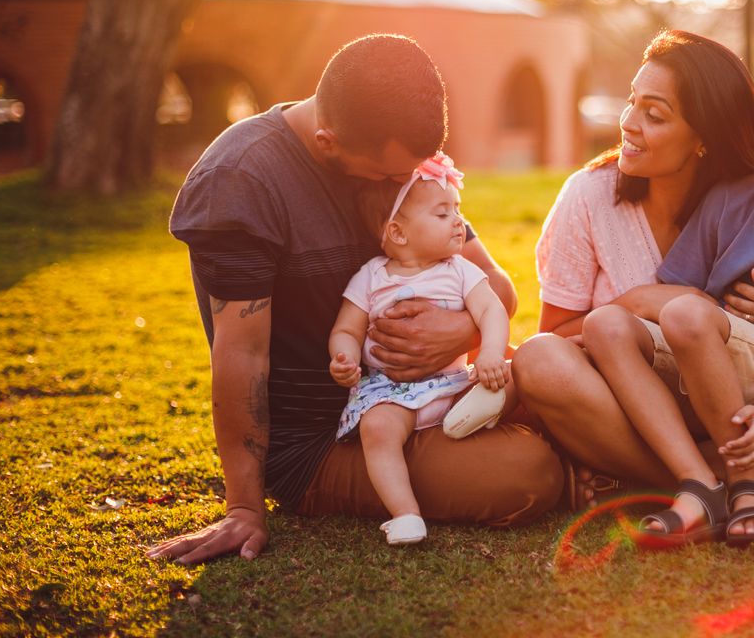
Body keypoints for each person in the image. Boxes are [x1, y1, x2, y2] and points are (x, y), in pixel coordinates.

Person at [150, 34, 561, 565]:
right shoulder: (241, 180)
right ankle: (573, 467)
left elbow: (496, 286)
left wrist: (463, 330)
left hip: (438, 388)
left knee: (555, 366)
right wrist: (244, 508)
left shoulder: (401, 160)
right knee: (526, 474)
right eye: (390, 176)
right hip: (331, 439)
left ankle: (598, 458)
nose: (403, 183)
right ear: (327, 143)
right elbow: (241, 355)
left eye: (413, 171)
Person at [513, 31, 754, 521]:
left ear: (705, 137)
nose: (628, 124)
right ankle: (734, 486)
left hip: (743, 406)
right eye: (632, 103)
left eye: (655, 114)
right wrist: (632, 306)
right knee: (541, 360)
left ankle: (651, 483)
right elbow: (566, 333)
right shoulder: (591, 197)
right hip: (634, 404)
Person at [328, 153, 512, 546]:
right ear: (397, 232)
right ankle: (405, 513)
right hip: (392, 392)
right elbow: (347, 326)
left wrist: (491, 353)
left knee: (512, 375)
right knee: (377, 429)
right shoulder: (372, 276)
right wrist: (343, 357)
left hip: (455, 381)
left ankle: (480, 413)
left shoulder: (461, 270)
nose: (458, 222)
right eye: (442, 214)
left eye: (457, 211)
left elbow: (492, 309)